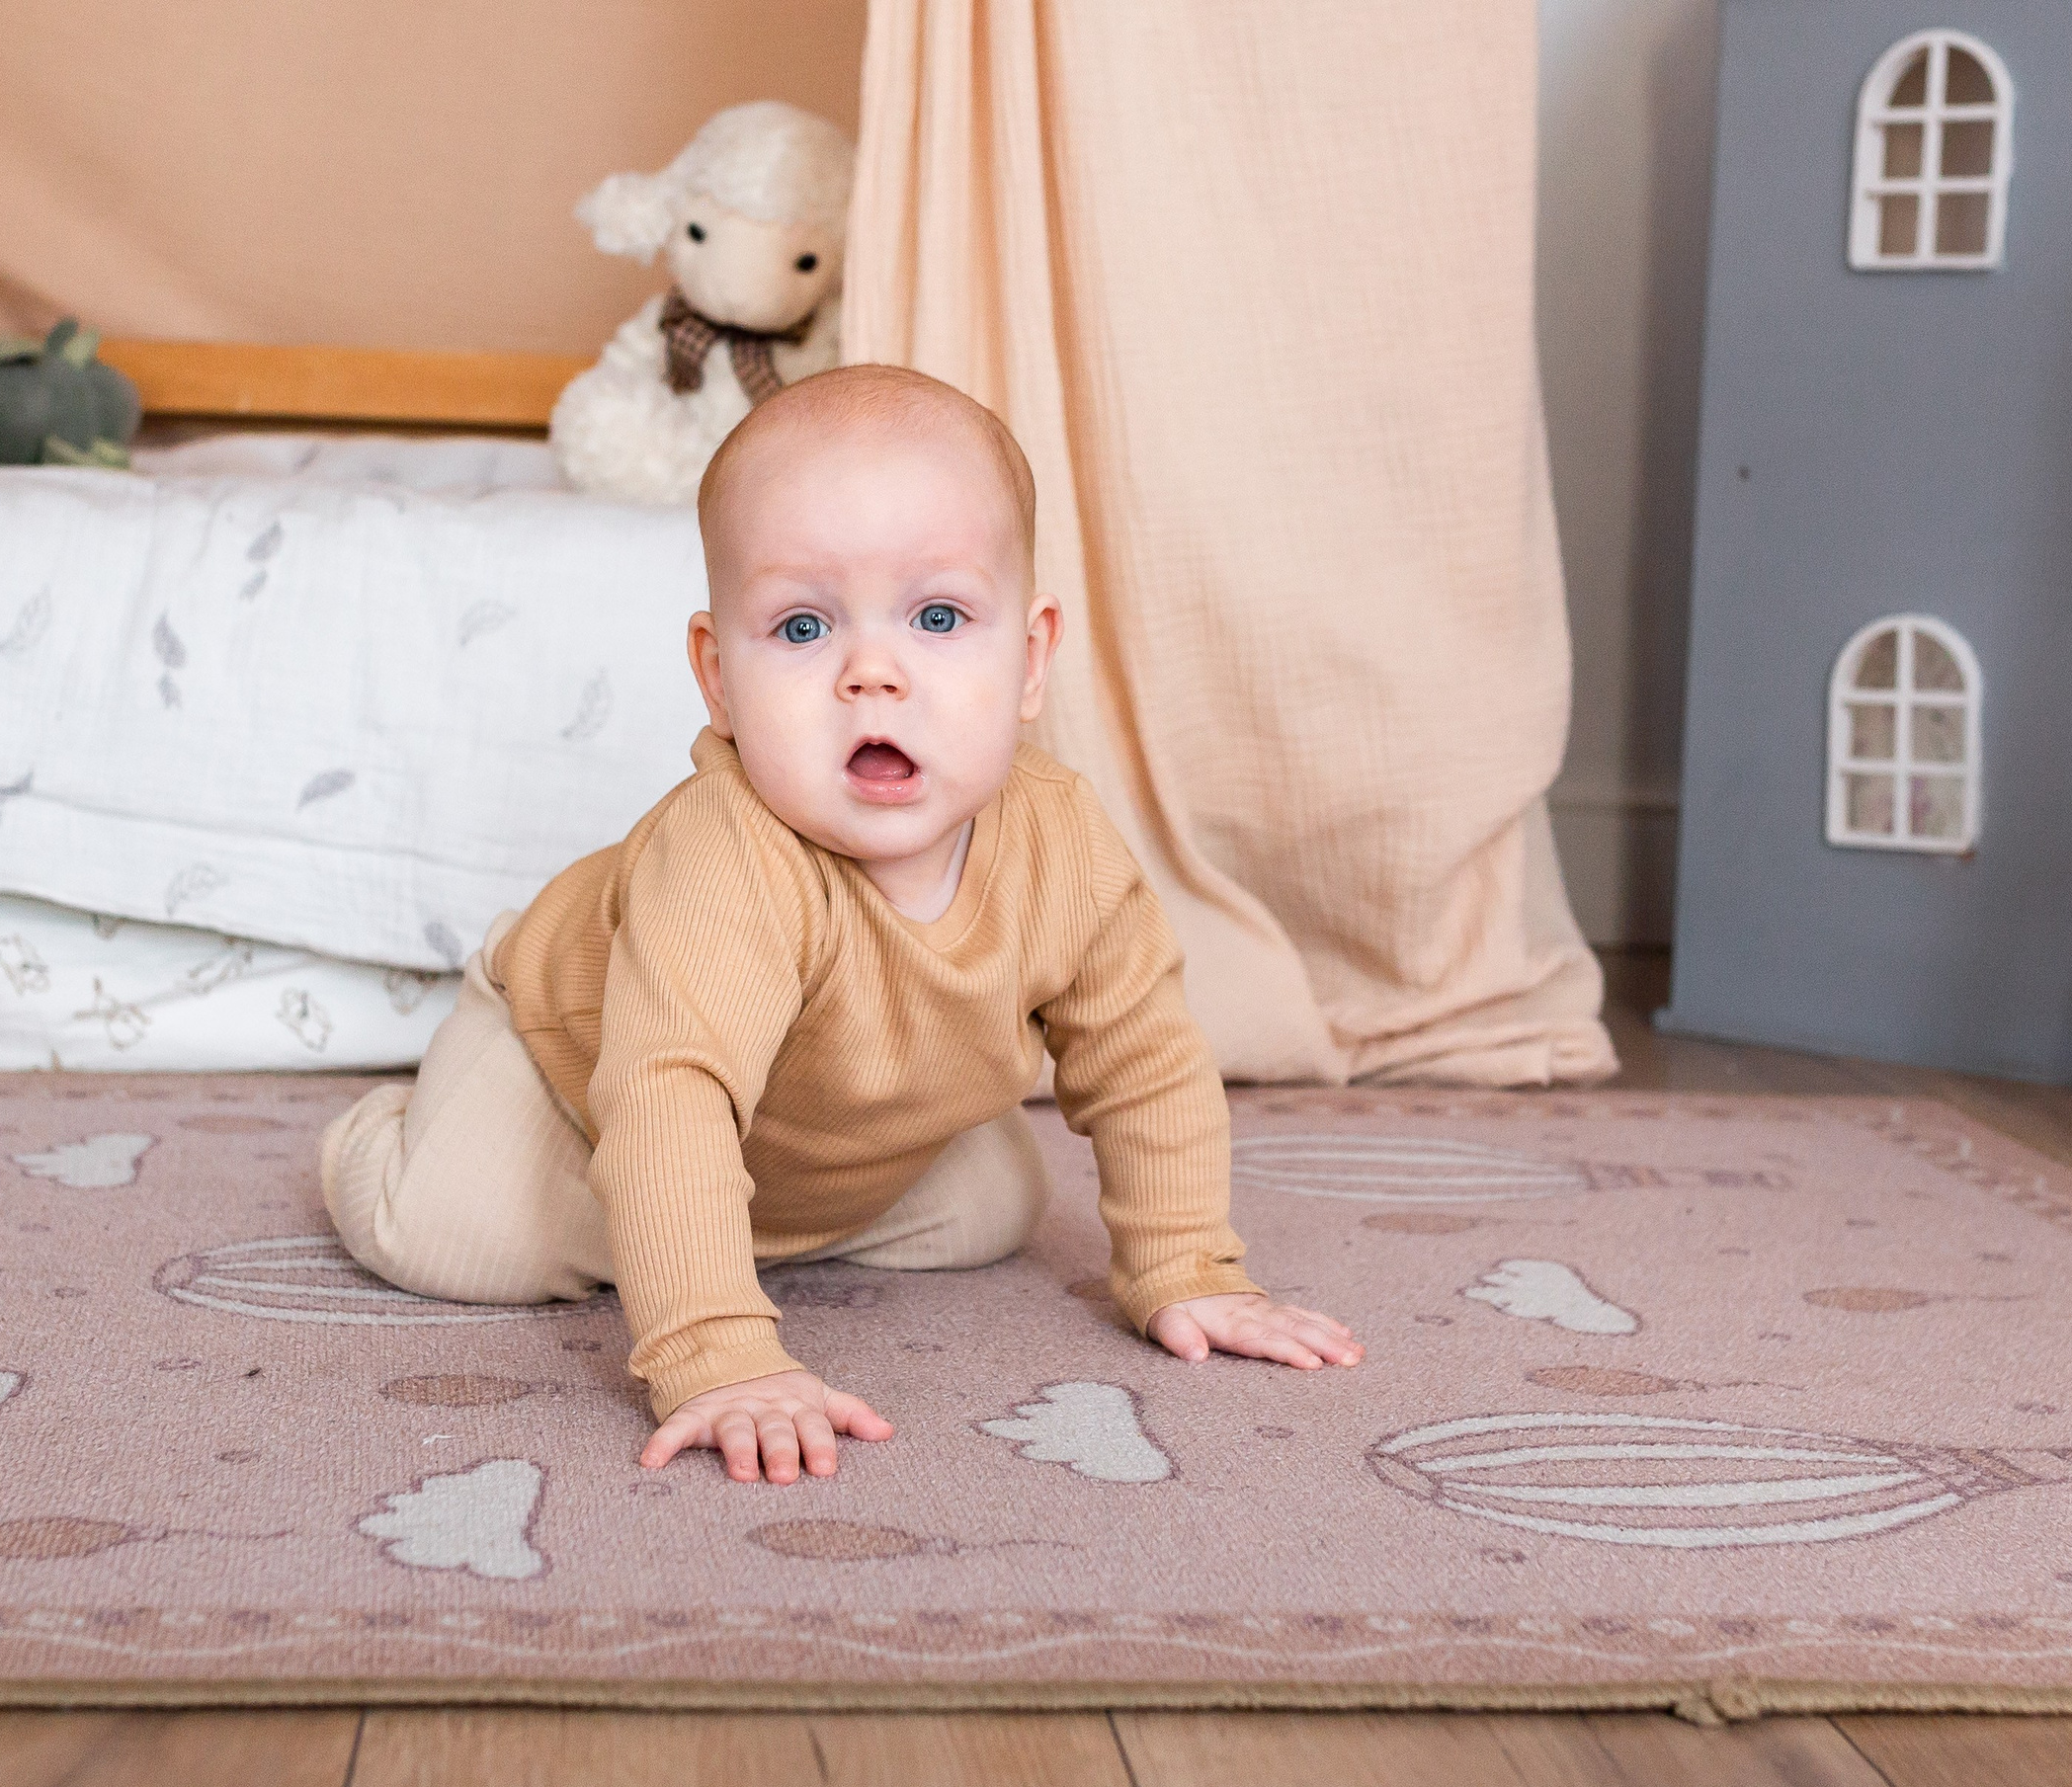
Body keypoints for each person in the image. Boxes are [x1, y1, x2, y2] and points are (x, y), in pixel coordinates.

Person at [321, 364, 1361, 1484]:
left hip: (817, 1126)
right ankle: (404, 1133)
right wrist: (718, 1355)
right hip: (574, 1074)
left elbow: (1145, 1058)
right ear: (719, 678)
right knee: (454, 1240)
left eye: (939, 615)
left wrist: (1187, 1265)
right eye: (804, 625)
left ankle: (726, 1222)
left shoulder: (1061, 843)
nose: (873, 671)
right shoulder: (728, 854)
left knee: (996, 1209)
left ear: (1030, 660)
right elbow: (669, 1093)